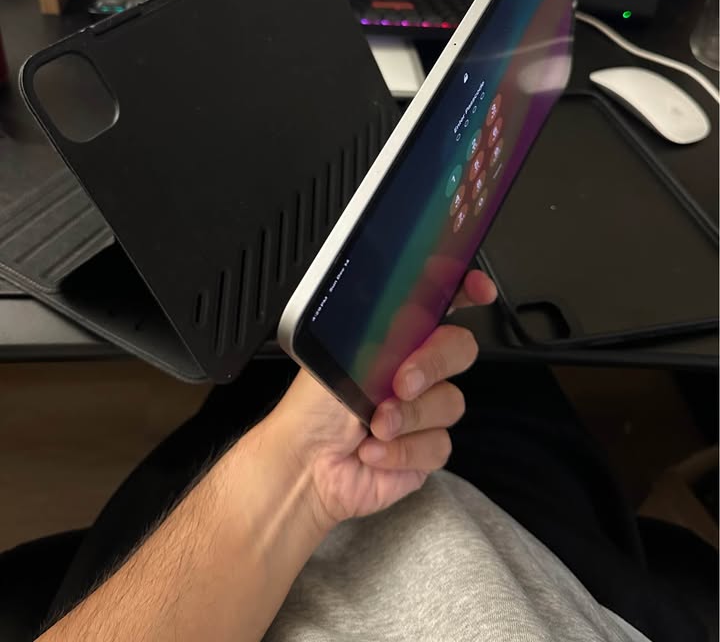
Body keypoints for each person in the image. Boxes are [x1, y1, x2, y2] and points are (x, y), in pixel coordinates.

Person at [9, 271, 707, 642]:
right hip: (540, 565)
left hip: (261, 535)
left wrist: (297, 475)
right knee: (486, 354)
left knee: (284, 344)